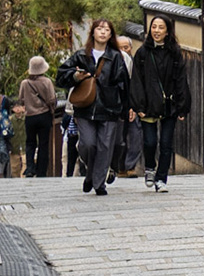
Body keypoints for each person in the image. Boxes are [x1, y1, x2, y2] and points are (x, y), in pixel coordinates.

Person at [57, 19, 130, 196]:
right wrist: (75, 76)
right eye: (99, 29)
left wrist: (127, 107)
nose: (103, 32)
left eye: (107, 30)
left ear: (111, 35)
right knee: (88, 144)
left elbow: (124, 83)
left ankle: (98, 183)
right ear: (93, 32)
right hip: (85, 106)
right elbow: (61, 76)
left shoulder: (116, 56)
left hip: (109, 107)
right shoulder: (81, 55)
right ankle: (90, 172)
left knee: (105, 146)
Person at [132, 15, 190, 191]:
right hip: (148, 104)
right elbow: (136, 80)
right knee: (150, 142)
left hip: (169, 104)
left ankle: (161, 178)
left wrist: (183, 106)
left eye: (161, 27)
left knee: (166, 143)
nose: (156, 31)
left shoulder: (174, 53)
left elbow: (181, 79)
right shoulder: (143, 53)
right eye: (154, 27)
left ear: (167, 31)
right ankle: (150, 167)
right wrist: (139, 105)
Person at [16, 55, 58, 177]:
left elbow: (21, 99)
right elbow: (51, 99)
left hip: (30, 116)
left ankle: (30, 168)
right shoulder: (47, 82)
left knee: (30, 142)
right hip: (44, 115)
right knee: (43, 144)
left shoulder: (25, 83)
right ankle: (41, 170)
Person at [115, 36, 143, 177]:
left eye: (126, 47)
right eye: (119, 48)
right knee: (119, 138)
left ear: (131, 48)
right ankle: (120, 167)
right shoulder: (113, 62)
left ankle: (130, 166)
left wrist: (135, 105)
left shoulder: (136, 63)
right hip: (117, 106)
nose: (123, 51)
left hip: (133, 104)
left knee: (135, 136)